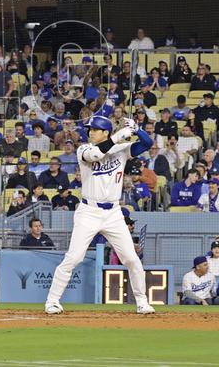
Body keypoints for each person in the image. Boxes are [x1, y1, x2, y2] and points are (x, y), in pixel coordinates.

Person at [45, 116, 155, 315]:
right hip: (89, 211)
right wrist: (120, 135)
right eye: (90, 129)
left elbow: (148, 143)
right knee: (74, 257)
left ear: (105, 132)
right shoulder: (84, 149)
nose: (91, 132)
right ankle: (52, 301)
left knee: (131, 258)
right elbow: (96, 154)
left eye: (95, 129)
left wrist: (136, 129)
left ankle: (142, 302)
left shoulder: (121, 150)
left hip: (113, 212)